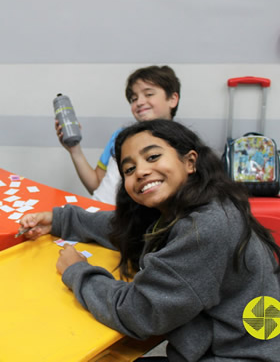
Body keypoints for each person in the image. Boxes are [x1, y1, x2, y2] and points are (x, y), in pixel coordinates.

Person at [21, 119, 280, 361]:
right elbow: (127, 230)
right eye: (130, 169)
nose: (141, 171)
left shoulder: (205, 228)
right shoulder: (192, 204)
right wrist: (59, 220)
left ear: (190, 162)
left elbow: (139, 312)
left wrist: (76, 271)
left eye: (153, 157)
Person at [56, 66, 180, 204]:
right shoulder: (120, 137)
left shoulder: (181, 142)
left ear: (172, 99)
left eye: (149, 94)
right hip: (100, 216)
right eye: (133, 99)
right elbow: (99, 186)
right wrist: (75, 150)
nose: (139, 102)